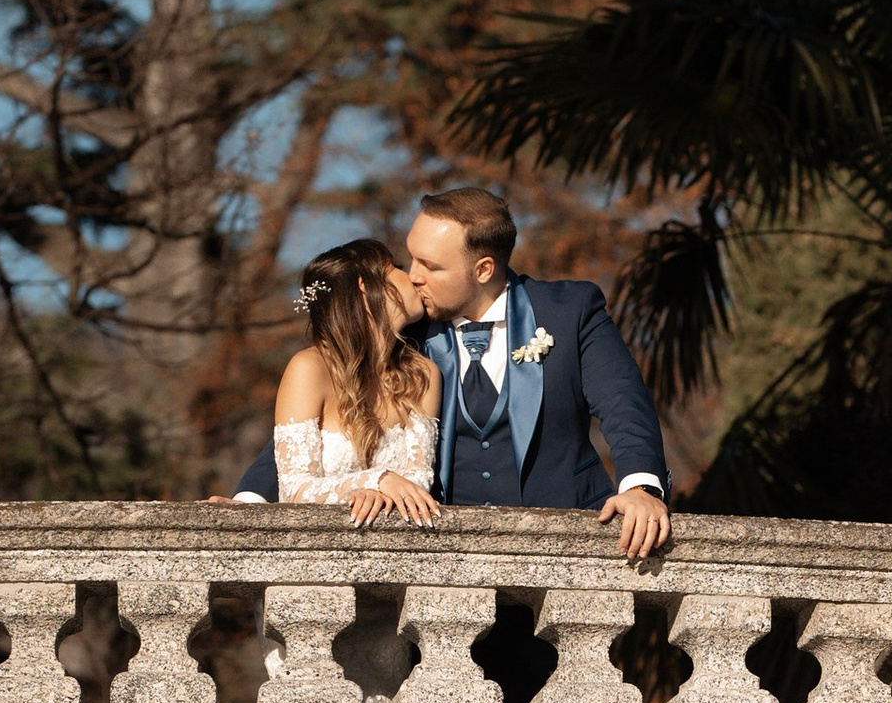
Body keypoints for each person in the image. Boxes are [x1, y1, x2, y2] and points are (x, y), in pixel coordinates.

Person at [234, 186, 672, 557]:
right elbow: (327, 417)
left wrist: (641, 487)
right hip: (443, 554)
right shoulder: (405, 327)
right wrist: (248, 499)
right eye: (411, 259)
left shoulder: (568, 311)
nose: (413, 276)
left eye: (431, 266)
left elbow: (623, 403)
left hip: (564, 543)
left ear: (482, 269)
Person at [228, 235, 443, 524]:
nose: (413, 276)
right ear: (365, 287)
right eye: (397, 266)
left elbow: (417, 485)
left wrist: (375, 491)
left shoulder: (424, 375)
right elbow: (293, 490)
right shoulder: (310, 368)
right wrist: (373, 481)